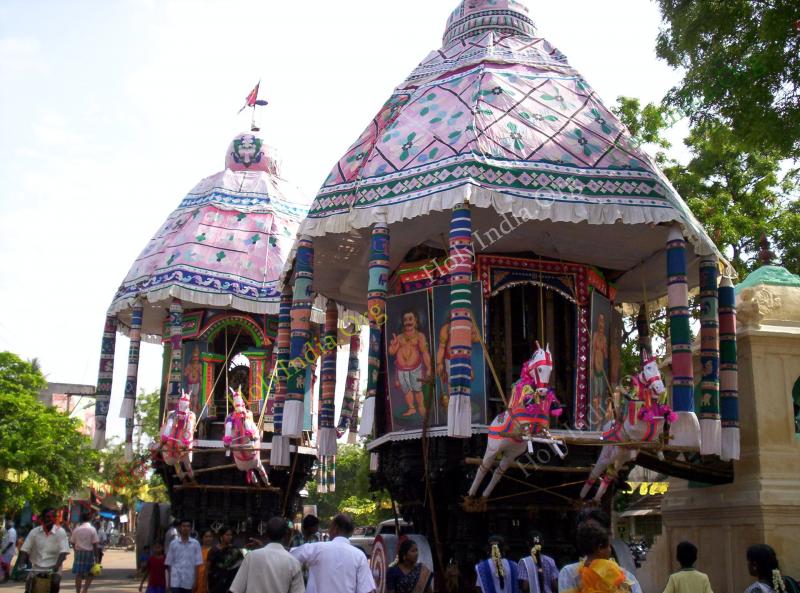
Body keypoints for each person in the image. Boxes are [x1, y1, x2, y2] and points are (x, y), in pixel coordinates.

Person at [291, 513, 375, 593]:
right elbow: (366, 590)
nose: (328, 530)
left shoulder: (316, 548)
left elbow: (288, 557)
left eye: (330, 527)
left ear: (335, 528)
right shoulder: (359, 556)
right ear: (351, 532)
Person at [557, 522, 641, 593]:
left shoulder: (568, 573)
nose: (610, 550)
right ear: (600, 548)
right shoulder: (624, 575)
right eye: (608, 546)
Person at [229, 517, 304, 593]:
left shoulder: (251, 557)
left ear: (266, 533)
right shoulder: (293, 562)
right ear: (286, 534)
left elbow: (236, 589)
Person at [389, 310, 432, 417]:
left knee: (417, 389)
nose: (408, 322)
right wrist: (394, 346)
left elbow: (425, 352)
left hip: (415, 368)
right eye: (405, 320)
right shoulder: (399, 337)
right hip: (401, 370)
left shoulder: (420, 336)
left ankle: (421, 406)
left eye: (410, 319)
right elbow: (391, 352)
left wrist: (429, 368)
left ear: (415, 320)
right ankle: (412, 408)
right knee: (406, 390)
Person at [18, 509, 70, 593]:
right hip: (36, 567)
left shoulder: (60, 532)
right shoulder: (34, 532)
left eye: (53, 517)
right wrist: (21, 563)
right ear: (42, 518)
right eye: (47, 517)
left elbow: (63, 552)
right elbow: (25, 549)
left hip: (54, 567)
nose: (50, 519)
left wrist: (56, 566)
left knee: (55, 583)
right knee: (29, 586)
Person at [164, 519, 203, 593]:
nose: (186, 528)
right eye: (184, 526)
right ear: (180, 528)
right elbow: (169, 564)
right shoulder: (173, 544)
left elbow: (197, 565)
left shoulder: (196, 544)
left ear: (191, 529)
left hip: (188, 581)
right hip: (175, 581)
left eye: (188, 526)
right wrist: (168, 583)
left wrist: (196, 582)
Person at [206, 526, 243, 593]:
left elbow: (240, 565)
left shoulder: (235, 550)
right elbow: (208, 569)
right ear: (221, 536)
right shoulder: (214, 550)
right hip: (216, 583)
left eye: (231, 535)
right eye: (227, 535)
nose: (229, 537)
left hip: (231, 583)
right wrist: (206, 584)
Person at [69, 512, 99, 593]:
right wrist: (96, 556)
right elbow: (95, 544)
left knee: (79, 574)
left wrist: (75, 550)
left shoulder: (76, 529)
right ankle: (85, 589)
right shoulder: (92, 529)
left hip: (79, 553)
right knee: (90, 573)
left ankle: (78, 591)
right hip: (89, 553)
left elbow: (72, 541)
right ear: (90, 519)